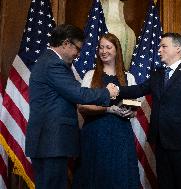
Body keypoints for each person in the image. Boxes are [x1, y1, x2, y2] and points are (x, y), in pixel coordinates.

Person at [25, 24, 118, 189]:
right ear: (66, 43)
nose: (77, 54)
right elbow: (78, 93)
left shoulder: (51, 62)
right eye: (77, 48)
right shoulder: (53, 64)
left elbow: (75, 89)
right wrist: (106, 92)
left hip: (48, 142)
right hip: (51, 142)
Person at [118, 32, 181, 189]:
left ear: (177, 48)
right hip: (160, 140)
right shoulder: (158, 74)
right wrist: (116, 90)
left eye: (164, 46)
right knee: (165, 183)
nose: (159, 50)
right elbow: (139, 89)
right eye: (159, 46)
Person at [72, 33, 140, 189]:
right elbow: (82, 106)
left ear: (117, 50)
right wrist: (109, 109)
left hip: (121, 135)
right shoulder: (90, 75)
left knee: (120, 176)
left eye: (108, 47)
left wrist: (131, 113)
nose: (104, 51)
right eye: (101, 47)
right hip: (95, 133)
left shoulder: (129, 77)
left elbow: (135, 108)